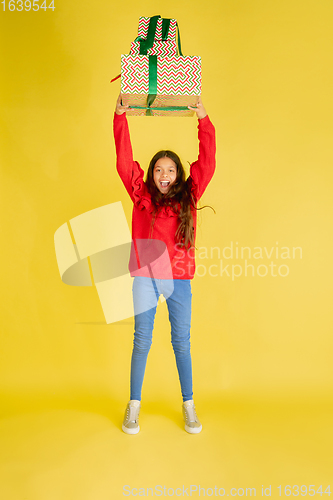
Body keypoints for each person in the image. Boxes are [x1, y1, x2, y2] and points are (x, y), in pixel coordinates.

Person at [113, 94, 216, 434]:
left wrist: (203, 119)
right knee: (142, 340)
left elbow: (208, 162)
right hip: (146, 277)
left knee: (181, 342)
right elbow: (124, 161)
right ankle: (133, 407)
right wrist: (120, 117)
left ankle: (189, 405)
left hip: (179, 279)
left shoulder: (189, 196)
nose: (164, 175)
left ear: (178, 174)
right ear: (151, 173)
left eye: (170, 170)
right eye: (158, 169)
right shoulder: (141, 197)